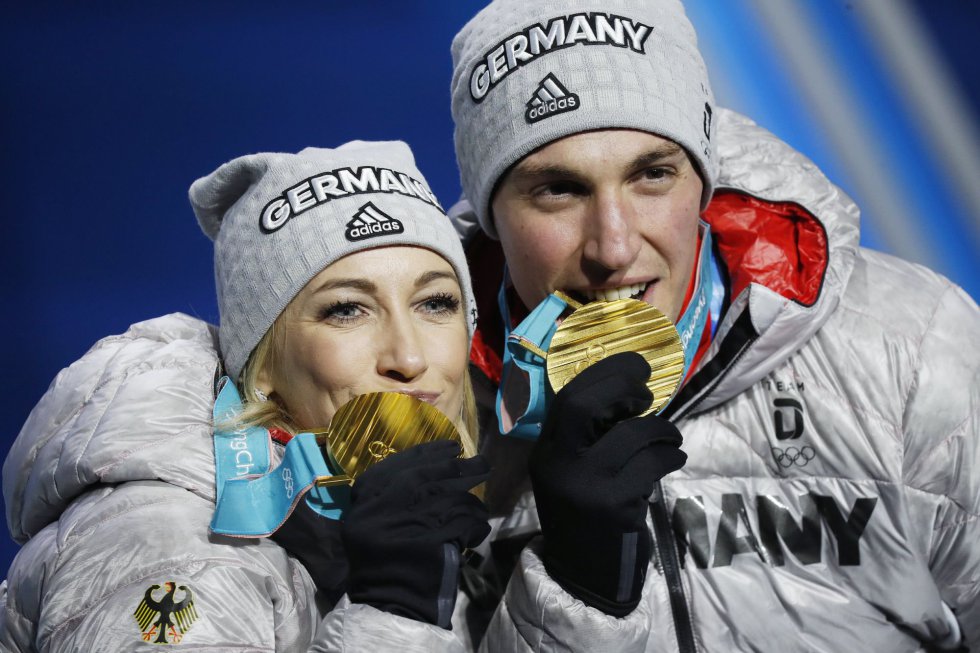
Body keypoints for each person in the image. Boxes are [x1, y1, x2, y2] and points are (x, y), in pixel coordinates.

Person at [447, 1, 980, 651]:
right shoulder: (423, 412)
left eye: (651, 174)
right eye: (559, 189)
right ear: (491, 215)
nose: (613, 246)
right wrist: (568, 594)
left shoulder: (913, 345)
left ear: (701, 180)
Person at [0, 141, 491, 652]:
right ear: (262, 365)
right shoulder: (169, 546)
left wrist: (574, 581)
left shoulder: (412, 523)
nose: (409, 358)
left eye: (436, 302)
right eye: (346, 310)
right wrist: (393, 615)